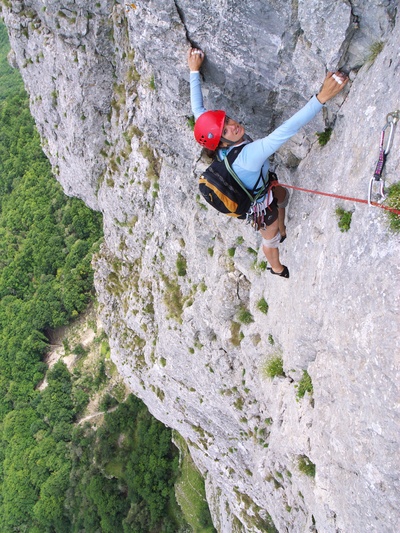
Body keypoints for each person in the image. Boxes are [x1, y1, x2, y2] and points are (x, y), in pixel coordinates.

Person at [187, 47, 348, 278]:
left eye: (228, 120)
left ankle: (282, 228)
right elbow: (285, 131)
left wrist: (194, 71)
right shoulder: (248, 155)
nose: (233, 126)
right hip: (261, 207)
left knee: (283, 196)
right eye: (226, 130)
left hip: (265, 188)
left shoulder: (217, 144)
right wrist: (321, 97)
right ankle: (276, 267)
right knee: (270, 238)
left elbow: (198, 111)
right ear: (221, 143)